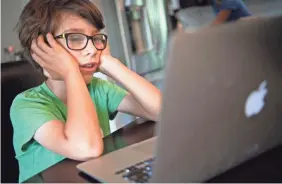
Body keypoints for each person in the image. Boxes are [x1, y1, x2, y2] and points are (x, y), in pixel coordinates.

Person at [10, 0, 161, 182]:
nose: (91, 49)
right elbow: (86, 148)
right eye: (75, 38)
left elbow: (163, 112)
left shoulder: (97, 88)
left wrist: (111, 64)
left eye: (96, 38)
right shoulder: (26, 105)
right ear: (43, 49)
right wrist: (70, 71)